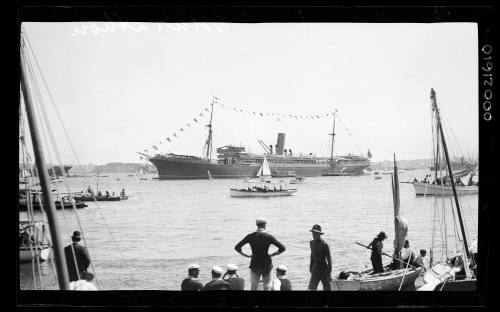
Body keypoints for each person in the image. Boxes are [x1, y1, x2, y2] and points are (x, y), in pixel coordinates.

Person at [234, 217, 286, 290]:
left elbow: (237, 247)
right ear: (264, 225)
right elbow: (282, 248)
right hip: (266, 264)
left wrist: (245, 255)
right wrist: (274, 254)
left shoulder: (250, 236)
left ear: (256, 225)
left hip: (255, 263)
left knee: (254, 286)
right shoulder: (269, 236)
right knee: (267, 286)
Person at [308, 224, 332, 291]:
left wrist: (329, 274)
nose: (313, 235)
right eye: (313, 233)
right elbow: (312, 255)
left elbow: (329, 260)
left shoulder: (325, 245)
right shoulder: (311, 243)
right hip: (315, 268)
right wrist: (310, 267)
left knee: (327, 288)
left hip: (324, 269)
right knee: (312, 288)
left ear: (319, 234)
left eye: (315, 233)